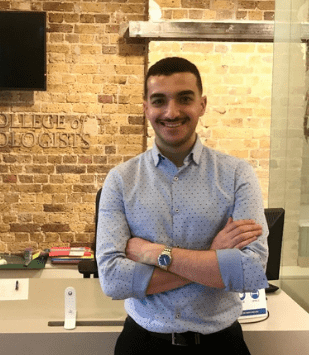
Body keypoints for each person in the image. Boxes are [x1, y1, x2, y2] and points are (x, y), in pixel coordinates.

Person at [96, 57, 269, 354]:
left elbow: (250, 271)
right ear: (146, 108)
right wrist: (213, 259)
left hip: (220, 345)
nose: (171, 112)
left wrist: (152, 253)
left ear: (201, 104)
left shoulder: (238, 174)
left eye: (184, 99)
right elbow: (113, 279)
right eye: (159, 101)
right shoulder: (120, 180)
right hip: (143, 344)